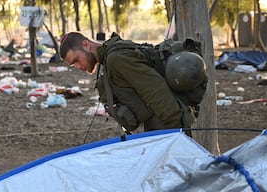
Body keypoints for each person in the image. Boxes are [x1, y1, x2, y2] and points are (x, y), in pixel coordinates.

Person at [60, 32, 205, 133]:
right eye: (74, 65)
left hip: (168, 127)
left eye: (76, 60)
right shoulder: (110, 59)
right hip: (161, 127)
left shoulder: (116, 59)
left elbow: (157, 92)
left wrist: (174, 134)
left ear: (86, 44)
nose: (78, 67)